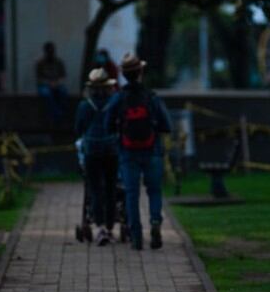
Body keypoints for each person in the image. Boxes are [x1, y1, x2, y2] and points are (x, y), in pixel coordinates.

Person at [105, 53, 173, 251]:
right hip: (152, 150)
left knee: (131, 194)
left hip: (127, 153)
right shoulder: (151, 97)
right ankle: (155, 221)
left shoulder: (119, 98)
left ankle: (136, 236)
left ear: (124, 75)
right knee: (154, 190)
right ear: (141, 72)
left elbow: (107, 124)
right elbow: (166, 125)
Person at [75, 68, 120, 246]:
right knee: (111, 188)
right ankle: (110, 227)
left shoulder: (85, 106)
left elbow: (79, 129)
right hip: (111, 150)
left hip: (92, 151)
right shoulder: (114, 103)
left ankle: (99, 227)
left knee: (94, 188)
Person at [35, 42, 67, 120]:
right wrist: (49, 83)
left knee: (63, 92)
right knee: (46, 94)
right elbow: (39, 78)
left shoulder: (59, 62)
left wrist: (57, 83)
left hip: (57, 84)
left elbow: (63, 76)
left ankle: (61, 112)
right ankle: (56, 114)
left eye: (52, 51)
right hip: (44, 85)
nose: (51, 53)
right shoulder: (40, 63)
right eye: (49, 51)